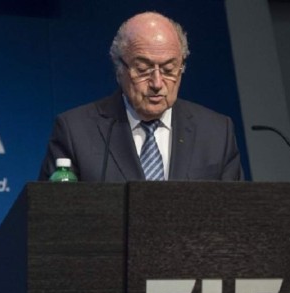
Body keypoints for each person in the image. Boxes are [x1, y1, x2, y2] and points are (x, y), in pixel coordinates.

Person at [38, 11, 242, 182]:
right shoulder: (75, 132)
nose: (157, 83)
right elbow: (51, 211)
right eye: (143, 69)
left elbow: (236, 211)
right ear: (119, 69)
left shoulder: (216, 132)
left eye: (169, 70)